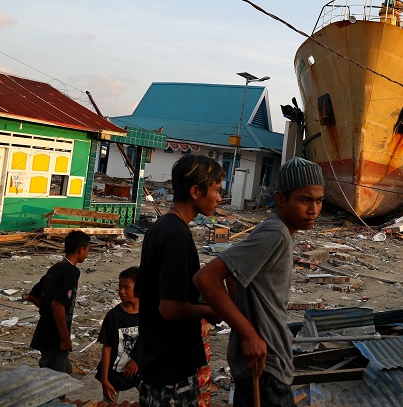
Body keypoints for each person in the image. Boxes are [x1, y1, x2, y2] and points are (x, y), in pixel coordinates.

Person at [193, 157, 325, 407]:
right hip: (266, 366)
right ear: (280, 199)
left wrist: (244, 318)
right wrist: (249, 333)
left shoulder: (279, 232)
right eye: (305, 200)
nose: (314, 210)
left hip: (263, 361)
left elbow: (234, 274)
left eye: (319, 200)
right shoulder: (275, 233)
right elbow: (207, 278)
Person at [136, 155, 225, 407]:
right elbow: (170, 308)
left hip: (154, 360)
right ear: (196, 191)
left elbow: (147, 290)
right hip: (171, 368)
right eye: (216, 190)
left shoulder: (160, 227)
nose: (219, 198)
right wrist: (210, 310)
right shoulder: (177, 236)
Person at [25, 230, 90, 374]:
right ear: (81, 249)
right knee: (56, 379)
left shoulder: (56, 267)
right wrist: (65, 338)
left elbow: (33, 296)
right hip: (55, 336)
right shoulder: (72, 272)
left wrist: (46, 310)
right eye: (87, 250)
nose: (87, 254)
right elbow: (57, 304)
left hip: (45, 331)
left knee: (65, 371)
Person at [95, 266, 140, 402]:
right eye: (120, 287)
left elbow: (151, 341)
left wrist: (136, 360)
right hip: (114, 374)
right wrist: (104, 380)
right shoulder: (113, 316)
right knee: (109, 403)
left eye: (127, 288)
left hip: (138, 371)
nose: (121, 291)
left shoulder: (149, 314)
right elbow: (107, 347)